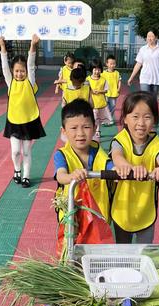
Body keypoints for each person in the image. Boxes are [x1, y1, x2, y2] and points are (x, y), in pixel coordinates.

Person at [110, 91, 159, 244]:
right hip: (122, 209)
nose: (141, 123)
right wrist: (129, 167)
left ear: (154, 120)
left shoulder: (156, 143)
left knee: (144, 251)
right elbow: (117, 156)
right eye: (135, 117)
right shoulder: (120, 140)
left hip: (146, 208)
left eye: (147, 117)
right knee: (123, 251)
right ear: (125, 118)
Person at [54, 99, 113, 255]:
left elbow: (111, 167)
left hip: (97, 212)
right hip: (72, 215)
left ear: (94, 128)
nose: (80, 133)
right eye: (73, 128)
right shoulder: (62, 155)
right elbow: (61, 176)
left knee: (96, 248)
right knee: (71, 250)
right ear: (64, 132)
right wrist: (71, 176)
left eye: (86, 127)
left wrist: (121, 170)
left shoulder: (99, 153)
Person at [0, 35, 46, 188]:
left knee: (26, 152)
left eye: (22, 71)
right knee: (16, 151)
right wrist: (2, 47)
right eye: (17, 71)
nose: (19, 73)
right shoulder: (10, 82)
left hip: (29, 121)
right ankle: (17, 170)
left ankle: (26, 176)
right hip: (14, 121)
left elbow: (31, 64)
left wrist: (33, 45)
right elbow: (4, 67)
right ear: (13, 71)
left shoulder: (30, 82)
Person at [127, 30, 159, 98]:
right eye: (148, 36)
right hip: (145, 78)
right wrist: (131, 77)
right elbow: (138, 64)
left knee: (153, 100)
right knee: (145, 99)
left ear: (156, 37)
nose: (149, 38)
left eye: (152, 36)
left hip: (156, 79)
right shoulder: (143, 49)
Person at [86, 59, 112, 140]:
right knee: (93, 118)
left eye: (98, 69)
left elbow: (106, 90)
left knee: (99, 119)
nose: (97, 71)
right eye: (95, 69)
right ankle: (92, 130)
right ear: (91, 69)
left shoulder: (103, 80)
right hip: (91, 103)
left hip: (101, 103)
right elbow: (85, 89)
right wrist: (90, 90)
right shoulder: (88, 79)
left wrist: (100, 91)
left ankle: (97, 131)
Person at [102, 54, 121, 124]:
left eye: (114, 64)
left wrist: (119, 88)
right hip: (105, 93)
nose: (112, 65)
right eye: (111, 64)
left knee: (112, 106)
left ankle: (109, 119)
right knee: (105, 107)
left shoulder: (117, 73)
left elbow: (119, 81)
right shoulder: (103, 73)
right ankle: (105, 119)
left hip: (114, 93)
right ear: (107, 64)